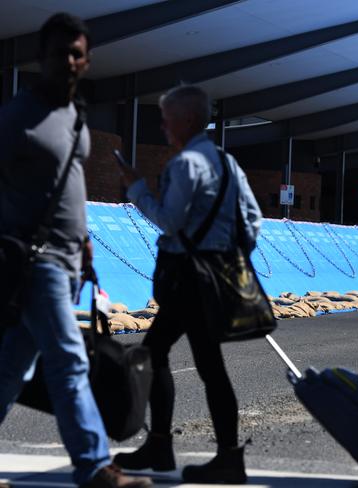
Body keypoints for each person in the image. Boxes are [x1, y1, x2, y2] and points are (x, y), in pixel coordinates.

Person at [0, 13, 152, 488]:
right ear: (40, 59)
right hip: (33, 259)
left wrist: (85, 243)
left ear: (86, 61)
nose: (68, 61)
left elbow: (71, 187)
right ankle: (93, 466)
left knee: (12, 367)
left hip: (68, 260)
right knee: (69, 359)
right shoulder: (16, 117)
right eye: (59, 53)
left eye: (77, 53)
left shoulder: (79, 121)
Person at [115, 85, 262, 484]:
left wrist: (136, 188)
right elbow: (253, 220)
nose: (162, 125)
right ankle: (194, 451)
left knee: (163, 353)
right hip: (217, 274)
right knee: (190, 357)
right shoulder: (229, 163)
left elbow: (169, 220)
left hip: (189, 279)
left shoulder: (186, 165)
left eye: (167, 118)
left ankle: (177, 448)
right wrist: (227, 255)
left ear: (188, 121)